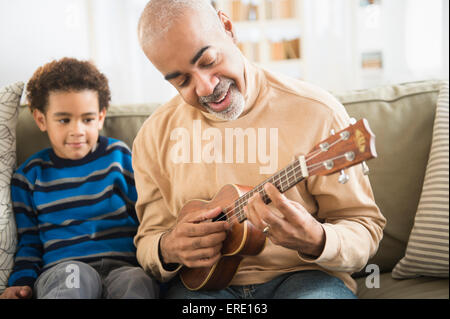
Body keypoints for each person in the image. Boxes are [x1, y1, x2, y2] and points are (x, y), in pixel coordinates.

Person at [133, 0, 386, 299]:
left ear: (228, 28)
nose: (204, 87)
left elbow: (364, 227)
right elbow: (149, 240)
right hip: (204, 290)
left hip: (305, 279)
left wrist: (317, 239)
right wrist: (169, 247)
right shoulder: (153, 136)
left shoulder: (318, 112)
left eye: (208, 61)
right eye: (182, 80)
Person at [0, 58, 159, 299]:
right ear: (41, 119)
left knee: (136, 280)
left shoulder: (119, 157)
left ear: (101, 117)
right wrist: (21, 282)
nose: (77, 130)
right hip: (63, 269)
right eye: (64, 120)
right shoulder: (29, 176)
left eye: (87, 119)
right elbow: (29, 242)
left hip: (122, 266)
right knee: (76, 276)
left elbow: (148, 216)